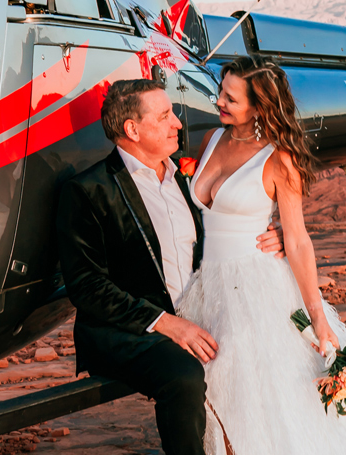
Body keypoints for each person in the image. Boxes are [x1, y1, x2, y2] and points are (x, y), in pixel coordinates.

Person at [177, 55, 346, 454]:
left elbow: (300, 239)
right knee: (210, 398)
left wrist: (319, 320)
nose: (219, 101)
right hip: (207, 290)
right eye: (221, 91)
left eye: (230, 99)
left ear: (259, 108)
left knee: (256, 403)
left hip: (256, 294)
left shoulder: (278, 160)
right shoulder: (212, 139)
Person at [56, 78, 286, 455]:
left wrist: (270, 236)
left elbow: (220, 227)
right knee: (184, 374)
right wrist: (166, 323)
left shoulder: (187, 174)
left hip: (195, 311)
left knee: (259, 346)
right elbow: (86, 286)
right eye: (164, 117)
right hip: (127, 329)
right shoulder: (89, 190)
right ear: (132, 130)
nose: (178, 123)